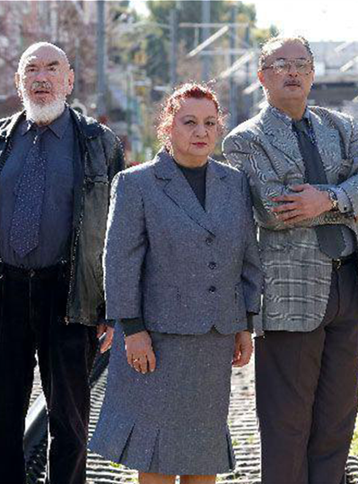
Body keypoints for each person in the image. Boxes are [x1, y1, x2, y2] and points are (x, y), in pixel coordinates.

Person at [0, 42, 125, 484]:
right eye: (32, 69)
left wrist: (112, 308)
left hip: (70, 294)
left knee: (69, 422)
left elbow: (117, 231)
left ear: (69, 81)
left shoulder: (99, 143)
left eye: (52, 69)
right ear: (19, 82)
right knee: (1, 420)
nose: (42, 78)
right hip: (4, 292)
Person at [222, 36, 358, 483]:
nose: (293, 72)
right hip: (289, 296)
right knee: (287, 425)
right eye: (281, 64)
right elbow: (274, 210)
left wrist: (328, 198)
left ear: (313, 74)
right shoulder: (246, 140)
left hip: (350, 287)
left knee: (337, 419)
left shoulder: (340, 127)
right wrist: (348, 201)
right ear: (262, 77)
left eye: (301, 63)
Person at [88, 83, 263, 484]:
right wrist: (132, 330)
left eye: (210, 123)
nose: (201, 131)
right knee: (156, 454)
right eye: (189, 122)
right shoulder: (137, 183)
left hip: (214, 339)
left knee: (204, 453)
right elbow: (119, 261)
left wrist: (245, 324)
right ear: (168, 126)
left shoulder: (234, 183)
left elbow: (247, 257)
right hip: (157, 340)